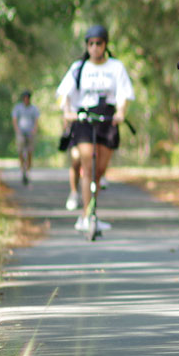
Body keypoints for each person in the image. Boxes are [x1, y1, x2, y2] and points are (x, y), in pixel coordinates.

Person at [55, 25, 135, 233]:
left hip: (107, 118)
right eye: (91, 44)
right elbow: (64, 94)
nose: (95, 47)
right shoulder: (78, 67)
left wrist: (120, 113)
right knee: (88, 167)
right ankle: (85, 216)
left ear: (105, 45)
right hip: (84, 118)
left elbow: (124, 94)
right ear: (87, 46)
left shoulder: (116, 67)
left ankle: (92, 212)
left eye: (99, 43)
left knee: (99, 170)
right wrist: (67, 111)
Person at [11, 91, 40, 185]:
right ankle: (22, 169)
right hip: (21, 132)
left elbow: (36, 120)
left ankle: (28, 170)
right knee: (20, 150)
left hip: (30, 132)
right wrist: (17, 130)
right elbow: (15, 119)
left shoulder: (33, 109)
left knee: (30, 151)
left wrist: (34, 130)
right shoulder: (18, 108)